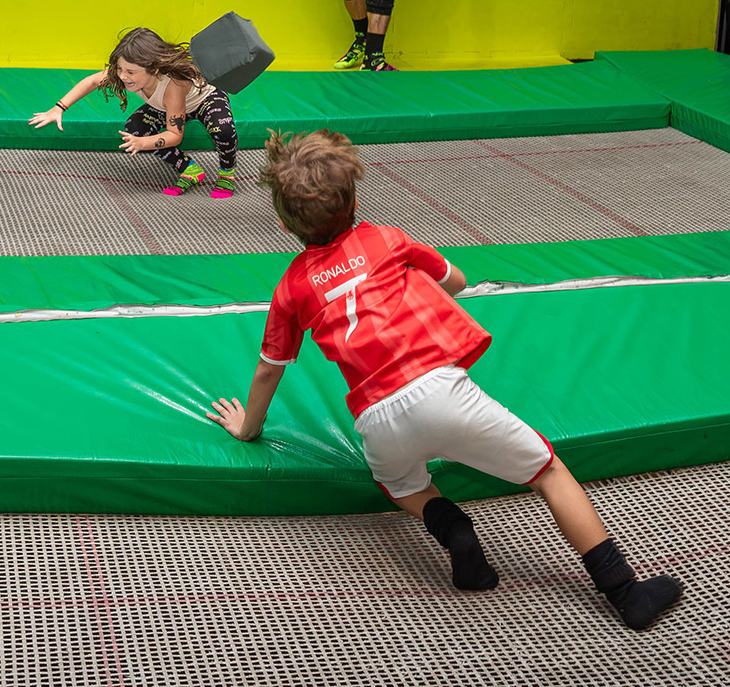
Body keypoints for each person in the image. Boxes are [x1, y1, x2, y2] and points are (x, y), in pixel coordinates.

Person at [207, 129, 684, 630]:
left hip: (376, 417)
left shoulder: (292, 287)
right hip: (441, 390)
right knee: (548, 473)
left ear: (285, 225)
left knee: (401, 484)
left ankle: (453, 528)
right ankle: (625, 591)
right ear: (352, 201)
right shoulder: (386, 239)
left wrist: (249, 428)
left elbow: (270, 367)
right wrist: (409, 277)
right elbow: (455, 282)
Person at [28, 28, 239, 198]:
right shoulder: (126, 74)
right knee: (136, 128)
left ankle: (227, 173)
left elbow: (175, 135)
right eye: (120, 69)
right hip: (165, 107)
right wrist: (59, 108)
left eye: (131, 72)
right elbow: (92, 81)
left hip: (203, 101)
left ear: (154, 69)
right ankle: (190, 169)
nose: (123, 77)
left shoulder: (173, 86)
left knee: (224, 130)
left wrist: (142, 144)